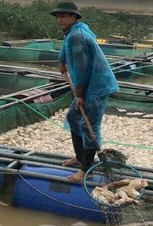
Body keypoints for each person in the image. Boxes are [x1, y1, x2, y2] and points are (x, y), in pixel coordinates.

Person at [51, 1, 119, 182]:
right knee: (74, 118)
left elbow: (82, 68)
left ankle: (85, 168)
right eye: (58, 16)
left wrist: (79, 94)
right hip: (87, 84)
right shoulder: (72, 32)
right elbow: (65, 48)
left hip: (95, 85)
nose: (59, 19)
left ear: (74, 17)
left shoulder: (77, 36)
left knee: (89, 126)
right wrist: (62, 63)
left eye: (63, 16)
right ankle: (80, 157)